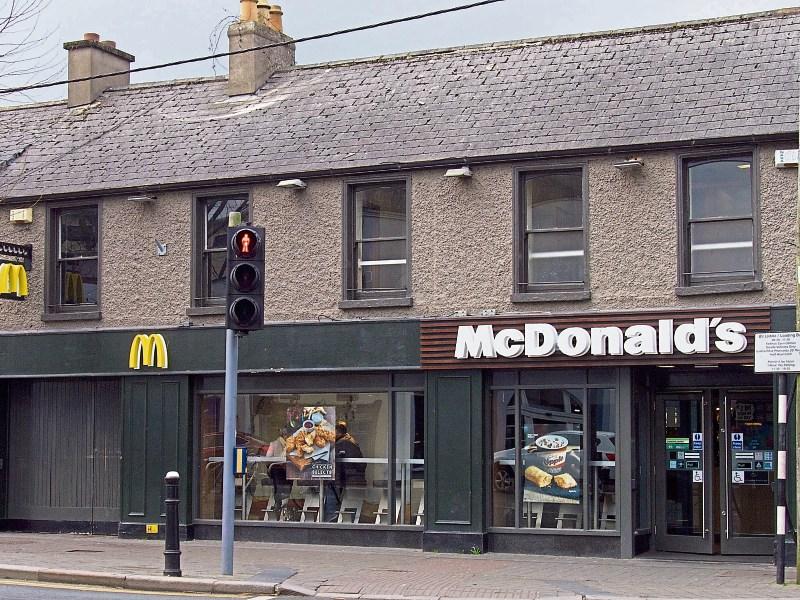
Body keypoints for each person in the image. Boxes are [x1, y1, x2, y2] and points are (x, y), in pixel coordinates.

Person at [323, 421, 366, 521]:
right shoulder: (350, 442)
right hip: (347, 480)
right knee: (348, 506)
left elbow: (341, 463)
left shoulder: (343, 443)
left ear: (338, 433)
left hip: (340, 480)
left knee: (333, 508)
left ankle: (330, 527)